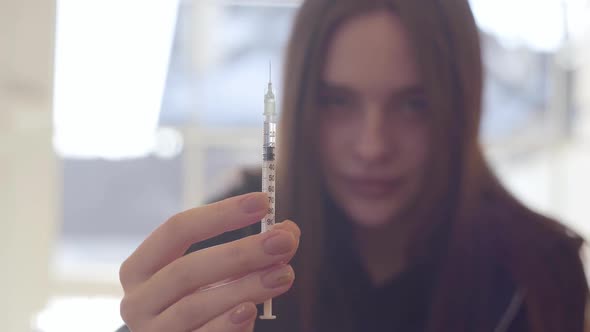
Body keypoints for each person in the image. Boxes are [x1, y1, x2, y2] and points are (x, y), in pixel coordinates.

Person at [117, 0, 589, 331]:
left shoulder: (540, 271)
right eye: (338, 102)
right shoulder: (227, 252)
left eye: (413, 105)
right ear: (301, 103)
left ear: (459, 106)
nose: (372, 146)